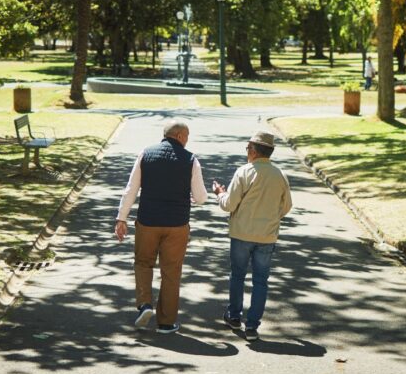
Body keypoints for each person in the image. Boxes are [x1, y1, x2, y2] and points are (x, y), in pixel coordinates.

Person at [114, 120, 208, 334]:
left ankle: (144, 304)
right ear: (181, 136)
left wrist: (121, 218)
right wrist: (193, 196)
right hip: (177, 224)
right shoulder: (191, 160)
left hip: (148, 221)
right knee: (171, 272)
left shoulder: (145, 154)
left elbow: (131, 189)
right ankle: (166, 322)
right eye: (188, 136)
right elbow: (201, 198)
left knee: (143, 263)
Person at [211, 130, 293, 340]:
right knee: (261, 280)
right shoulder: (279, 175)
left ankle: (235, 315)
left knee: (237, 275)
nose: (247, 152)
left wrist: (220, 194)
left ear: (254, 151)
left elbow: (229, 205)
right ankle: (252, 326)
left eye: (248, 148)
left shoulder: (244, 172)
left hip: (242, 233)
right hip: (267, 235)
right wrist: (272, 217)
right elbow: (286, 206)